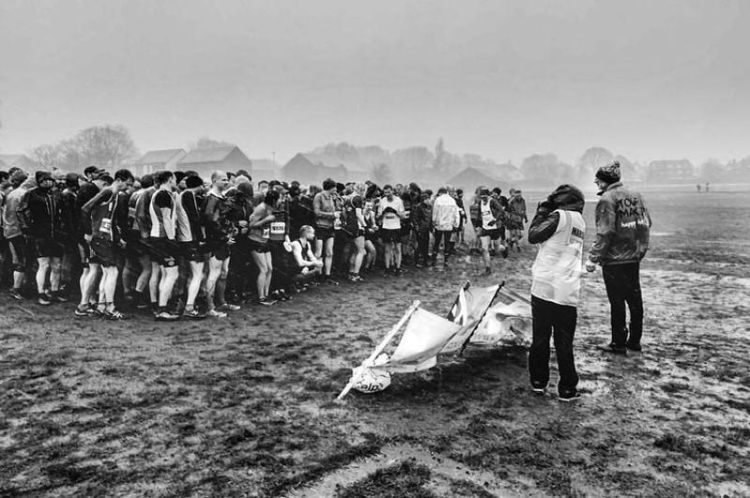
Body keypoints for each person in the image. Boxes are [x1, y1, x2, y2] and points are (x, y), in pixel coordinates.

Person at [585, 161, 652, 354]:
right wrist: (639, 248)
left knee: (617, 302)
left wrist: (593, 258)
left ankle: (618, 342)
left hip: (614, 260)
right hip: (634, 257)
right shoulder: (636, 196)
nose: (596, 181)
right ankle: (635, 340)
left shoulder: (607, 199)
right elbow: (647, 222)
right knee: (635, 299)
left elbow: (605, 232)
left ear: (604, 181)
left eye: (598, 179)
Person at [528, 184, 586, 402]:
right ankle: (568, 387)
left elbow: (533, 235)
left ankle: (538, 381)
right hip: (568, 288)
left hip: (545, 285)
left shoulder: (559, 216)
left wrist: (542, 212)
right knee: (564, 341)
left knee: (541, 336)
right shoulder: (580, 221)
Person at [80, 169, 134, 319]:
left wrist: (117, 238)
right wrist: (88, 232)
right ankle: (109, 307)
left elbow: (110, 220)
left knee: (105, 272)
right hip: (99, 237)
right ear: (120, 180)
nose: (128, 188)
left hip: (105, 236)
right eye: (127, 184)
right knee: (112, 272)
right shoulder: (107, 192)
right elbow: (85, 209)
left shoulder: (115, 195)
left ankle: (101, 305)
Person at [20, 171, 66, 305]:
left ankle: (54, 291)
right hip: (40, 234)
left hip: (56, 234)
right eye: (44, 180)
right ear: (39, 181)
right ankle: (41, 293)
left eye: (50, 180)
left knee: (57, 265)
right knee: (44, 264)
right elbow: (20, 210)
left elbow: (62, 212)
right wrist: (27, 227)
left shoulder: (56, 194)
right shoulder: (31, 194)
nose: (48, 182)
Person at [203, 170, 238, 317]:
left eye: (227, 180)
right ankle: (210, 307)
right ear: (214, 180)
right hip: (216, 242)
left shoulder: (220, 197)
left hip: (225, 240)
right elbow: (210, 220)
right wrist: (223, 237)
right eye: (223, 180)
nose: (226, 182)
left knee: (224, 273)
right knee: (214, 273)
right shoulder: (212, 198)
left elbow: (223, 218)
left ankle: (222, 302)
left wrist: (232, 229)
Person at [248, 189, 279, 305]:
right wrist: (265, 220)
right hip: (255, 240)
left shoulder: (270, 208)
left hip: (265, 240)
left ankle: (266, 294)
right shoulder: (261, 208)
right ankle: (261, 297)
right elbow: (251, 225)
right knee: (263, 269)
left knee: (270, 268)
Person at [313, 178, 338, 284]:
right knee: (318, 253)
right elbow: (317, 212)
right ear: (331, 188)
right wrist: (332, 215)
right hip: (320, 226)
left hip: (330, 227)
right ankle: (316, 275)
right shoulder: (319, 196)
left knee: (329, 252)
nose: (336, 190)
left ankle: (327, 275)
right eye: (335, 187)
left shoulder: (332, 198)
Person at [377, 184, 406, 275]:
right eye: (385, 193)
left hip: (396, 226)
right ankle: (387, 268)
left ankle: (398, 267)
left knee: (397, 248)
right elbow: (378, 216)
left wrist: (395, 212)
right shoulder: (382, 201)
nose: (387, 194)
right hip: (386, 226)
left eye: (389, 192)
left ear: (392, 191)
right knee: (387, 248)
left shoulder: (398, 201)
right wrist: (383, 213)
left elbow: (403, 216)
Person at [476, 188, 503, 275]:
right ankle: (488, 268)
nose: (483, 198)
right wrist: (478, 225)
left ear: (488, 195)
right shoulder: (480, 202)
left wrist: (494, 219)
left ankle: (504, 249)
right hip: (485, 228)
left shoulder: (492, 201)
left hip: (495, 228)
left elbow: (501, 211)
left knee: (497, 249)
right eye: (481, 197)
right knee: (484, 248)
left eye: (484, 197)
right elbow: (479, 214)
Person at [431, 187, 459, 268]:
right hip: (449, 225)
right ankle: (446, 260)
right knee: (447, 243)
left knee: (437, 242)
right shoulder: (452, 200)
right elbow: (456, 213)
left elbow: (435, 212)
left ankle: (434, 259)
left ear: (440, 193)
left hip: (439, 225)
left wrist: (434, 222)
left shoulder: (438, 200)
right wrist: (456, 224)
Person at [290, 225, 323, 289]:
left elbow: (312, 257)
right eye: (312, 233)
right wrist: (314, 263)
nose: (313, 235)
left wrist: (318, 262)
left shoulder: (307, 244)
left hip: (300, 267)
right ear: (306, 233)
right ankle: (295, 282)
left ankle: (301, 282)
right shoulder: (296, 244)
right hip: (292, 267)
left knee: (317, 266)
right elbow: (300, 263)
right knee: (313, 266)